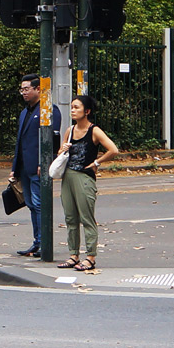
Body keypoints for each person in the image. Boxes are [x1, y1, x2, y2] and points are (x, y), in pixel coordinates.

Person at [55, 94, 119, 272]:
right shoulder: (70, 131)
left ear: (87, 111)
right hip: (68, 176)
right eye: (72, 107)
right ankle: (73, 255)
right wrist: (62, 150)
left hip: (84, 177)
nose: (73, 110)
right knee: (70, 217)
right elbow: (60, 154)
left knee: (86, 217)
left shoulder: (94, 131)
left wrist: (97, 162)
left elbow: (113, 150)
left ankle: (90, 257)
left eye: (77, 107)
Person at [8, 73, 58, 256]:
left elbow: (53, 139)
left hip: (38, 166)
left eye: (27, 89)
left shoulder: (48, 110)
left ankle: (44, 242)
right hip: (24, 167)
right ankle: (37, 241)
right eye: (21, 89)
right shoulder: (24, 113)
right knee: (30, 203)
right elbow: (20, 142)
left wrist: (44, 162)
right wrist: (14, 168)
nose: (23, 93)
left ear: (38, 89)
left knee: (38, 204)